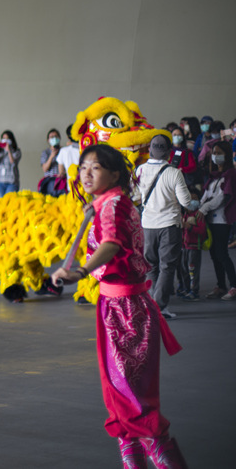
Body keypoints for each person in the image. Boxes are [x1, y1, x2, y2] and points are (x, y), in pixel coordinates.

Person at [52, 144, 186, 468]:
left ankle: (158, 451)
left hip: (125, 310)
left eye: (94, 167)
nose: (85, 173)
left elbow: (112, 243)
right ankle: (134, 455)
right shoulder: (108, 203)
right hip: (120, 304)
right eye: (83, 167)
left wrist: (79, 272)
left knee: (129, 392)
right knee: (121, 389)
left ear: (114, 174)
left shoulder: (112, 204)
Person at [134, 135, 199, 319]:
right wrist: (196, 205)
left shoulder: (140, 170)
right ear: (169, 152)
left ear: (150, 150)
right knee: (167, 266)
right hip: (169, 225)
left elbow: (135, 196)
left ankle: (151, 304)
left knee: (151, 266)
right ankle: (160, 306)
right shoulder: (174, 172)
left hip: (147, 225)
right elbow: (186, 201)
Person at [195, 139, 236, 300]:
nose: (215, 156)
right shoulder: (213, 176)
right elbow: (206, 196)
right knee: (214, 254)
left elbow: (223, 198)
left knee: (222, 253)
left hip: (222, 220)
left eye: (219, 153)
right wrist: (197, 206)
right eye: (214, 153)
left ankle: (233, 285)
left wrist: (204, 208)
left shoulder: (230, 174)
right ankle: (220, 285)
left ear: (226, 155)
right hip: (210, 220)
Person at [0, 130, 21, 197]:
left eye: (7, 138)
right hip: (0, 181)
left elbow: (13, 162)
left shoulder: (16, 151)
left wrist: (8, 150)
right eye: (3, 138)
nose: (5, 140)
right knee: (2, 202)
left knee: (9, 200)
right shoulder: (0, 151)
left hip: (12, 182)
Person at [38, 128, 65, 196]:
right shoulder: (45, 152)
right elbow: (45, 168)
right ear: (48, 140)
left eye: (56, 136)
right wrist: (51, 156)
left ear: (59, 138)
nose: (54, 138)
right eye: (52, 137)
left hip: (61, 179)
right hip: (49, 180)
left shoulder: (64, 150)